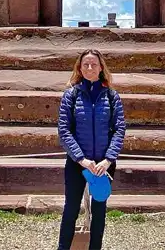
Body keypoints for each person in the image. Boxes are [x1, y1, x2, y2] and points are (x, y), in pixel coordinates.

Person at [57, 48, 126, 250]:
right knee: (70, 208)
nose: (89, 68)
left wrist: (108, 159)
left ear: (101, 67)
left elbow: (119, 129)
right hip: (78, 162)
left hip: (103, 165)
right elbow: (64, 130)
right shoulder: (71, 95)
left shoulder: (112, 96)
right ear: (79, 67)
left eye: (93, 64)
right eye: (85, 64)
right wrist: (81, 159)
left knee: (99, 210)